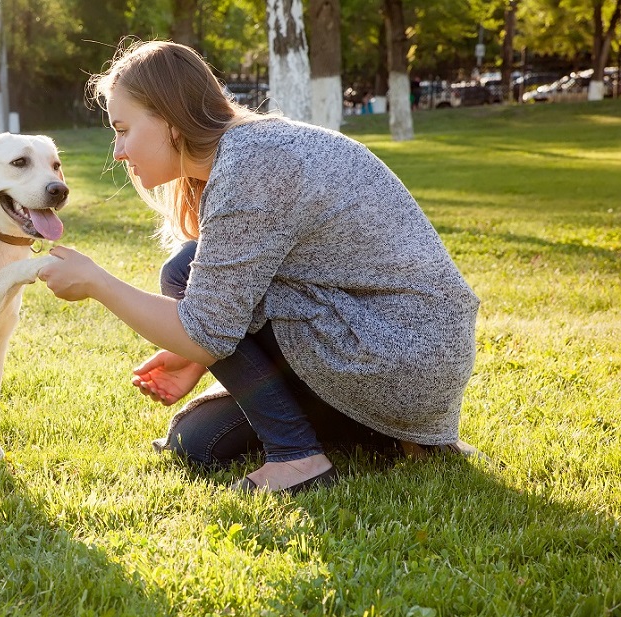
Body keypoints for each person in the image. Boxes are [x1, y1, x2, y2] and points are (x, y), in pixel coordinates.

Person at [37, 40, 480, 494]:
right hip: (391, 353)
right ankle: (389, 435)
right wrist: (202, 357)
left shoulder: (251, 165)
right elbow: (239, 302)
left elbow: (206, 325)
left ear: (169, 121)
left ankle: (297, 459)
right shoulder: (251, 150)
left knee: (182, 272)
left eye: (123, 129)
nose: (119, 152)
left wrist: (96, 282)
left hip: (397, 357)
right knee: (198, 443)